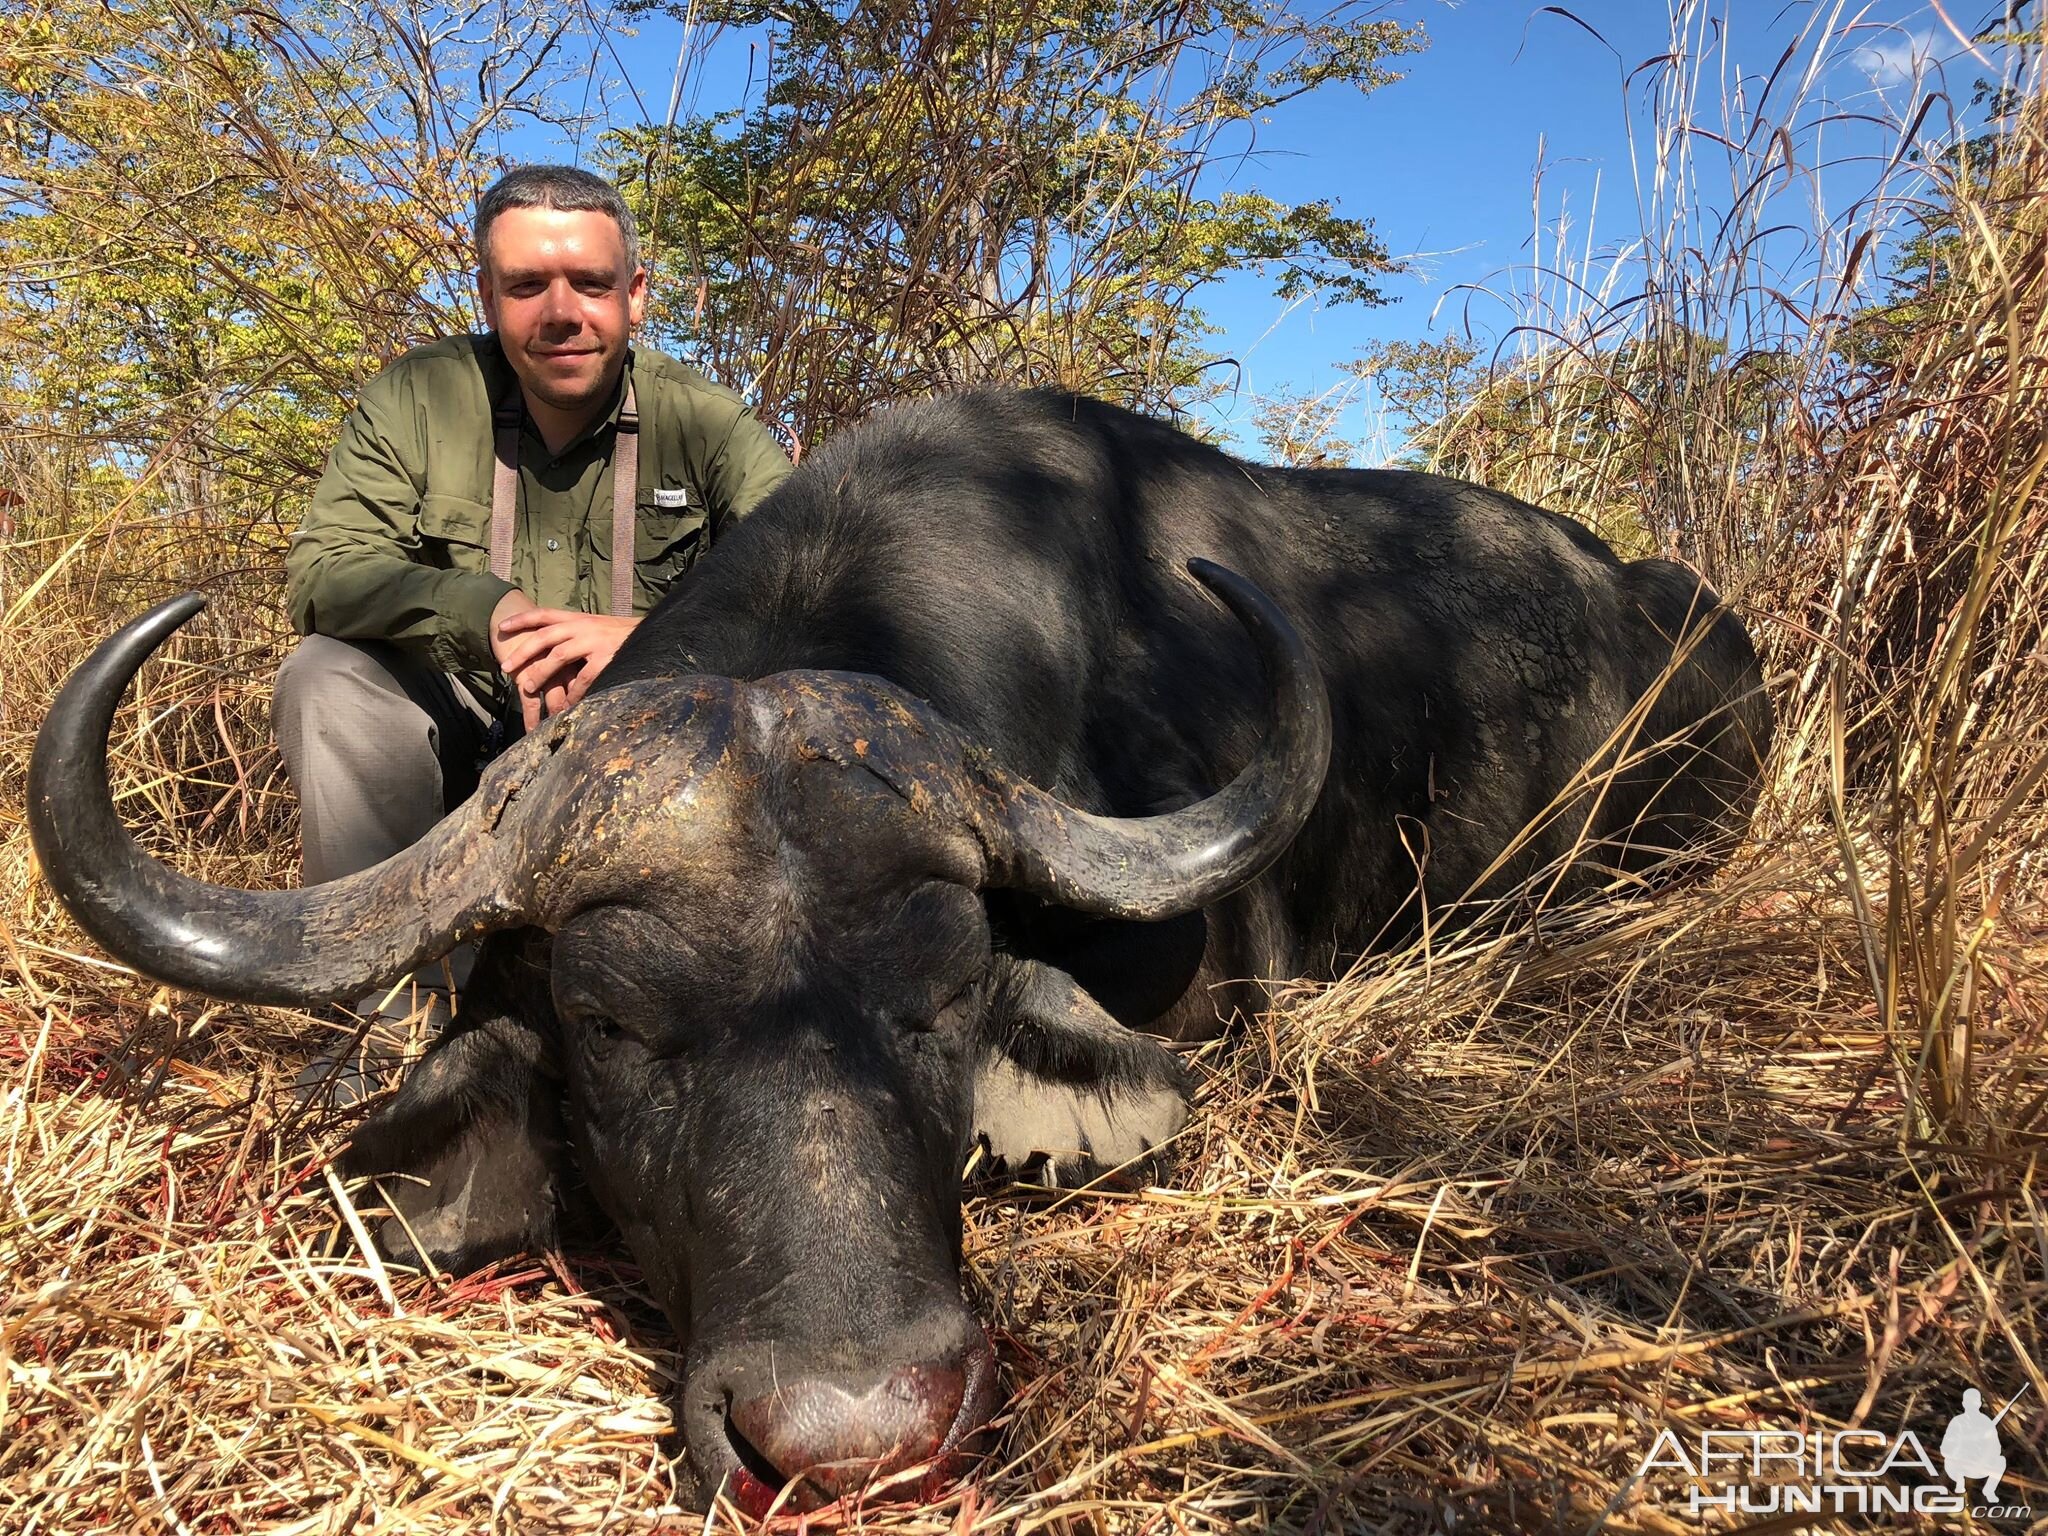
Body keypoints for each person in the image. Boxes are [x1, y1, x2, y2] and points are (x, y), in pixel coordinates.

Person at [277, 165, 790, 1094]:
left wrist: (645, 639)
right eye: (526, 286)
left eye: (591, 285)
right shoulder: (417, 396)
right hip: (458, 747)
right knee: (326, 681)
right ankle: (395, 1032)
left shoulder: (708, 423)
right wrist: (484, 610)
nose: (561, 313)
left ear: (635, 293)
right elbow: (322, 575)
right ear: (486, 294)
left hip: (645, 770)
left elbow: (812, 593)